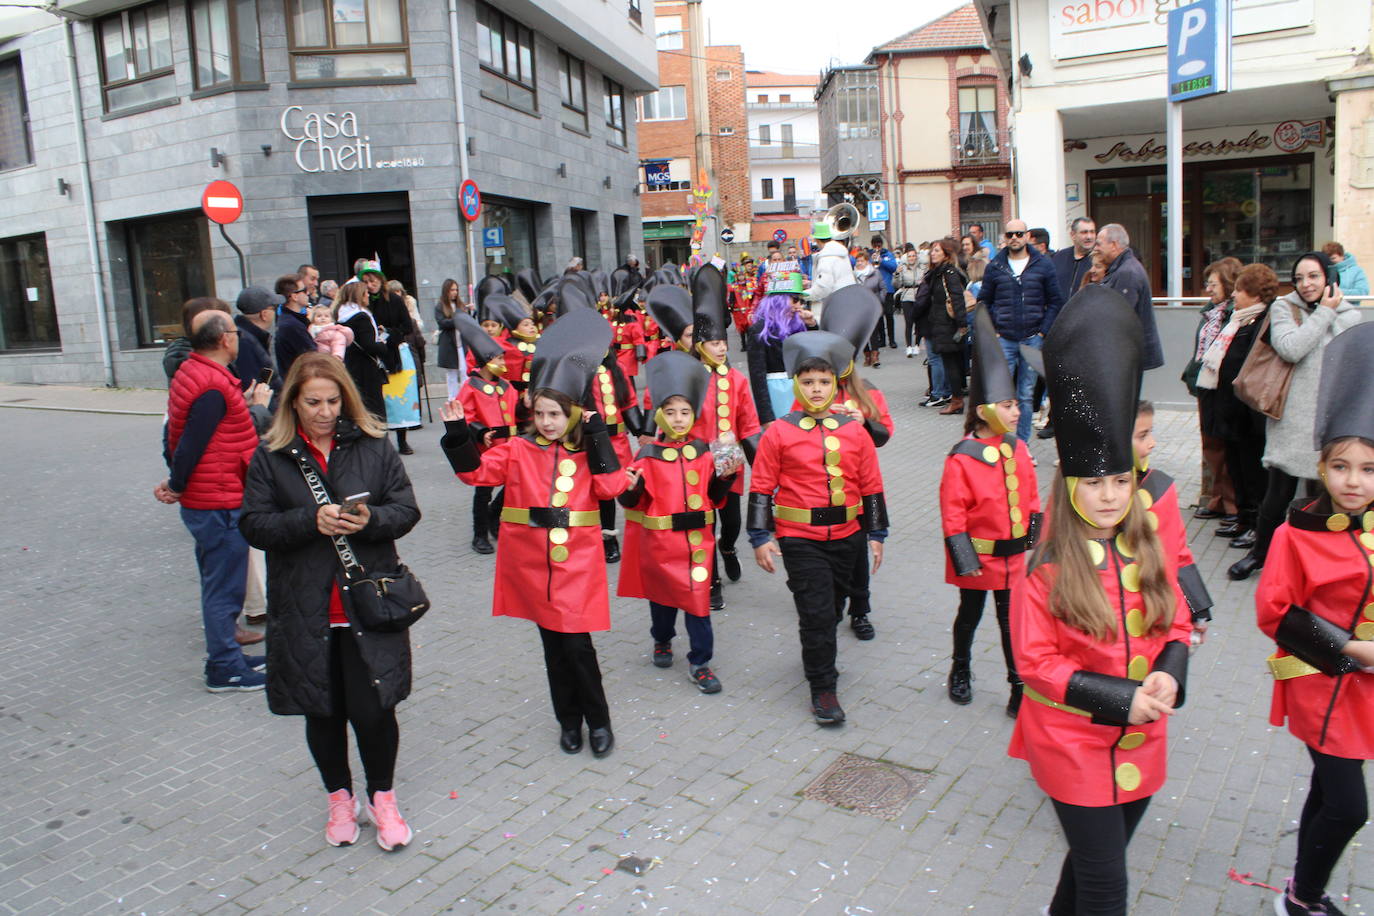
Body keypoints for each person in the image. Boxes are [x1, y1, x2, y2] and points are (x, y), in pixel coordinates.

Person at [1009, 287, 1191, 916]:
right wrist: (1121, 699)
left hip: (1143, 738)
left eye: (1120, 481)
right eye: (1094, 482)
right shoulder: (1044, 567)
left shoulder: (1149, 543)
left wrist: (1168, 673)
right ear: (1069, 483)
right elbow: (1036, 663)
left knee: (1089, 872)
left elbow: (1179, 621)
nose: (1111, 496)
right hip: (1071, 740)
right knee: (1108, 887)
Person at [238, 352, 419, 852]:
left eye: (333, 400)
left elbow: (406, 510)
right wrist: (307, 521)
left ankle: (383, 796)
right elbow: (253, 524)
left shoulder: (374, 447)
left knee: (374, 711)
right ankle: (340, 797)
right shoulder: (271, 455)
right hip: (305, 608)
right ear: (292, 401)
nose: (324, 411)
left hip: (367, 606)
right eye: (313, 401)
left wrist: (371, 521)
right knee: (321, 711)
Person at [441, 309, 626, 757]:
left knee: (577, 646)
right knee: (554, 649)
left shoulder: (586, 452)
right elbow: (476, 476)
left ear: (573, 414)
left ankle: (598, 722)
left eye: (556, 414)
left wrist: (599, 437)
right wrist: (454, 433)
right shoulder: (517, 450)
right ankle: (568, 721)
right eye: (541, 413)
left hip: (577, 565)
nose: (547, 422)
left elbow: (610, 487)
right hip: (531, 565)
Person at [1255, 320, 1374, 916]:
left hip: (1362, 691)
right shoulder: (1295, 533)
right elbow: (1274, 612)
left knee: (1329, 792)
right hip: (1319, 682)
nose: (1355, 482)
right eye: (1342, 467)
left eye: (1369, 469)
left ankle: (1300, 891)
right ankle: (1303, 897)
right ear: (1321, 468)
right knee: (1352, 806)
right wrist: (1354, 650)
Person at [748, 330, 888, 725]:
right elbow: (760, 486)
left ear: (835, 385)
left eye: (824, 382)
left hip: (848, 536)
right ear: (796, 384)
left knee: (836, 604)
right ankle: (823, 688)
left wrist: (876, 535)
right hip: (799, 540)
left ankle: (822, 652)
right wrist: (761, 537)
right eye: (808, 382)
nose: (815, 389)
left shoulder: (853, 430)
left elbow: (871, 484)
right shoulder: (779, 432)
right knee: (817, 614)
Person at [153, 309, 272, 691]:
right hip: (217, 500)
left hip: (213, 495)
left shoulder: (197, 372)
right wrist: (176, 484)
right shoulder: (211, 384)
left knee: (218, 582)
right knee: (224, 588)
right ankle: (225, 667)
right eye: (235, 332)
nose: (239, 337)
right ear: (225, 339)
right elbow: (190, 442)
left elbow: (183, 434)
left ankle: (229, 657)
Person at [1229, 252, 1363, 581]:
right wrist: (1323, 315)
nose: (1306, 284)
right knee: (1277, 494)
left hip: (1330, 421)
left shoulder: (1351, 316)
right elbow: (1291, 347)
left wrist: (1331, 312)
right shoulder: (1284, 308)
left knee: (1323, 498)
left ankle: (1316, 561)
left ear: (1329, 277)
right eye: (1300, 278)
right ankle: (1259, 554)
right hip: (1291, 419)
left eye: (1314, 276)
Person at [618, 351, 741, 693]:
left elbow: (715, 497)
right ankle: (662, 639)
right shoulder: (646, 455)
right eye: (670, 412)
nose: (678, 418)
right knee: (662, 601)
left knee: (699, 602)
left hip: (698, 544)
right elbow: (633, 501)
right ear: (659, 415)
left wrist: (726, 476)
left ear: (693, 415)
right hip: (660, 545)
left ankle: (700, 662)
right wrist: (629, 489)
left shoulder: (705, 450)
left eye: (684, 412)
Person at [941, 306, 1042, 715]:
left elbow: (1033, 502)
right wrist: (967, 564)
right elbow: (953, 517)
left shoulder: (1018, 448)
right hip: (979, 562)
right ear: (984, 411)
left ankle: (1018, 685)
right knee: (970, 615)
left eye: (1016, 404)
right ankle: (960, 668)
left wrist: (1032, 550)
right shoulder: (961, 459)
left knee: (1011, 623)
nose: (1017, 412)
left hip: (1014, 560)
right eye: (1007, 405)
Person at [817, 286, 896, 643]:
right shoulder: (815, 391)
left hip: (860, 486)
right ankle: (829, 602)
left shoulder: (871, 393)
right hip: (822, 486)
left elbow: (885, 434)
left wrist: (863, 421)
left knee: (860, 553)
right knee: (830, 550)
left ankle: (860, 609)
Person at [687, 265, 762, 609]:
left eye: (723, 342)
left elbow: (748, 425)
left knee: (731, 521)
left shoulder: (737, 379)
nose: (720, 348)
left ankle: (728, 547)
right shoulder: (687, 378)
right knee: (703, 522)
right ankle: (711, 581)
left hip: (728, 455)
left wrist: (763, 465)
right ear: (700, 345)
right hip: (694, 458)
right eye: (713, 343)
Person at [1198, 264, 1273, 551]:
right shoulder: (1239, 319)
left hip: (1249, 412)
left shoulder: (1264, 321)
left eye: (1241, 290)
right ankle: (1242, 517)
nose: (1236, 294)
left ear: (1255, 295)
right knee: (1237, 466)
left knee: (1253, 471)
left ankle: (1255, 524)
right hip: (1230, 408)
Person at [976, 218, 1065, 441]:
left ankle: (1022, 446)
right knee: (999, 394)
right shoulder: (996, 266)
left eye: (1018, 234)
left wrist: (1043, 331)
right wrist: (994, 330)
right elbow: (984, 301)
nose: (1014, 238)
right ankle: (999, 442)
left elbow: (1055, 301)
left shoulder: (1043, 264)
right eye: (1009, 235)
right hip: (1004, 338)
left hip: (1032, 338)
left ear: (1026, 236)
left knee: (1025, 395)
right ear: (1004, 239)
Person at [1132, 400, 1215, 637]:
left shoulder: (1160, 488)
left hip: (1161, 617)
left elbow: (1178, 550)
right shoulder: (1086, 496)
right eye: (1143, 435)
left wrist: (1198, 608)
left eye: (1151, 433)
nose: (1152, 443)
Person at [453, 311, 520, 556]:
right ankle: (479, 534)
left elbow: (516, 411)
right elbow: (464, 416)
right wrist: (480, 432)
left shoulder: (507, 386)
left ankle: (495, 515)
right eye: (500, 360)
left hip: (510, 444)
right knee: (483, 490)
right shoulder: (471, 387)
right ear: (487, 361)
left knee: (512, 485)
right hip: (488, 448)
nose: (504, 364)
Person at [1184, 259, 1242, 522]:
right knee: (1211, 447)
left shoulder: (1235, 314)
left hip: (1223, 388)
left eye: (1212, 283)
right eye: (1207, 283)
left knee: (1226, 448)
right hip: (1205, 386)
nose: (1208, 288)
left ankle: (1231, 504)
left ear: (1229, 285)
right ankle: (1216, 499)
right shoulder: (1212, 311)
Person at [359, 265, 419, 455]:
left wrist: (390, 332)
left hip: (395, 352)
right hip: (374, 354)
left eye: (373, 281)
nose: (370, 285)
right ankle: (380, 440)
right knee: (378, 398)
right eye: (366, 282)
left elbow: (407, 326)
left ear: (381, 280)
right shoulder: (363, 303)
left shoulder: (394, 299)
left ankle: (402, 440)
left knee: (399, 397)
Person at [746, 275, 814, 424]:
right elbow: (757, 376)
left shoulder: (799, 325)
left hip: (803, 388)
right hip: (777, 393)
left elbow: (816, 355)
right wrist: (766, 417)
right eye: (795, 299)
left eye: (801, 301)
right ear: (780, 300)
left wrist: (812, 325)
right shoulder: (758, 329)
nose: (799, 305)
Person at [1096, 224, 1164, 371]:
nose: (1096, 248)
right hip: (1124, 353)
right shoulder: (1122, 269)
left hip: (1125, 355)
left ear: (1113, 245)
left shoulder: (1127, 272)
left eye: (1099, 244)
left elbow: (1118, 318)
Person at [921, 238, 969, 413]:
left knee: (952, 364)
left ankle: (957, 401)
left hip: (949, 325)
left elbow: (957, 299)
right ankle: (956, 399)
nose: (932, 254)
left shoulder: (948, 273)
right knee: (951, 363)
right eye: (932, 251)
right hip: (942, 323)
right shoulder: (938, 273)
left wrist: (961, 325)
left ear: (946, 254)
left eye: (937, 251)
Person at [337, 280, 390, 424]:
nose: (368, 295)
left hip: (352, 366)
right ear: (359, 295)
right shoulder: (361, 317)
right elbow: (369, 345)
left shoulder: (342, 316)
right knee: (374, 409)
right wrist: (382, 346)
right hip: (366, 369)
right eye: (366, 293)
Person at [233, 287, 281, 395]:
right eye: (274, 308)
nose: (276, 313)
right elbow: (252, 387)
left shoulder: (250, 337)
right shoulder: (245, 342)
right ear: (264, 314)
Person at [804, 221, 856, 318]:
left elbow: (823, 289)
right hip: (847, 304)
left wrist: (803, 294)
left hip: (833, 309)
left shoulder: (826, 258)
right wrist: (811, 283)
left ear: (816, 239)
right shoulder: (840, 253)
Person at [275, 275, 316, 382]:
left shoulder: (291, 320)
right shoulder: (291, 325)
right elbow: (313, 356)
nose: (308, 293)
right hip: (300, 383)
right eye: (304, 290)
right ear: (294, 296)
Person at [434, 279, 467, 401]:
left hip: (462, 344)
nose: (455, 292)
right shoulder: (440, 306)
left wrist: (469, 314)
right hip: (449, 344)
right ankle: (452, 398)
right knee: (452, 373)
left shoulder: (460, 305)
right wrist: (458, 319)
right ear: (446, 290)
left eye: (456, 289)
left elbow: (467, 322)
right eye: (452, 289)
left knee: (464, 371)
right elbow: (442, 323)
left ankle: (465, 397)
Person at [1051, 218, 1097, 304]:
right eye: (1084, 232)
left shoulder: (1099, 260)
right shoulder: (1059, 257)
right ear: (1073, 235)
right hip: (1059, 314)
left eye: (1092, 232)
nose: (1089, 237)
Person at [852, 251, 885, 368]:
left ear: (867, 261)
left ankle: (875, 356)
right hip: (859, 307)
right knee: (862, 332)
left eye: (862, 261)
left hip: (873, 305)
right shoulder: (853, 275)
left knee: (873, 331)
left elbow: (882, 288)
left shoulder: (875, 273)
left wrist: (881, 301)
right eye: (858, 261)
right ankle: (867, 355)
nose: (860, 263)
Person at [868, 235, 898, 349]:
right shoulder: (870, 255)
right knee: (878, 316)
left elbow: (894, 267)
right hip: (875, 290)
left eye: (879, 245)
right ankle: (882, 339)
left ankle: (892, 340)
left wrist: (881, 261)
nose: (877, 247)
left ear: (881, 245)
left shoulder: (888, 255)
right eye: (875, 245)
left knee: (889, 315)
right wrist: (872, 260)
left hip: (888, 289)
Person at [894, 246, 925, 358]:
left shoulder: (922, 268)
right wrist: (897, 274)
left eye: (913, 256)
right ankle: (908, 346)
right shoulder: (903, 268)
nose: (911, 258)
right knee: (909, 322)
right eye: (909, 256)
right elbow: (896, 284)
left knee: (919, 322)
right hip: (907, 295)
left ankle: (917, 344)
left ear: (916, 257)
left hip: (919, 295)